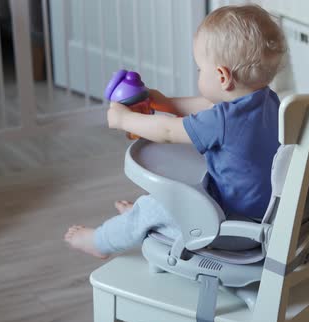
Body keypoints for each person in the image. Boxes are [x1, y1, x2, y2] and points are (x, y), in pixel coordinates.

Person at [65, 4, 287, 258]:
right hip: (265, 218)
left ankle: (100, 241)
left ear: (222, 77)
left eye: (200, 69)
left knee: (154, 206)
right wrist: (166, 102)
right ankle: (142, 219)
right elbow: (208, 107)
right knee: (174, 195)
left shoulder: (222, 122)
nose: (199, 74)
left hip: (230, 229)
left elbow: (168, 132)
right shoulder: (267, 101)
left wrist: (124, 119)